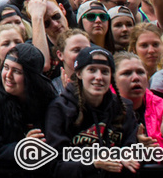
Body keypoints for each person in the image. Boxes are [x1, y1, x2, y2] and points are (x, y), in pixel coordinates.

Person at [45, 46, 139, 176]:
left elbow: (132, 154)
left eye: (105, 72)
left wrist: (130, 154)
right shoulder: (60, 109)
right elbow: (55, 166)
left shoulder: (123, 108)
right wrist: (92, 164)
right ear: (79, 73)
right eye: (92, 70)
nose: (99, 77)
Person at [0, 43, 57, 167]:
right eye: (6, 67)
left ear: (31, 77)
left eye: (17, 71)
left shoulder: (46, 98)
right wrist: (23, 148)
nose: (8, 75)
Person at [114, 52, 163, 152]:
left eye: (140, 72)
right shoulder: (103, 106)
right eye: (127, 73)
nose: (135, 78)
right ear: (113, 79)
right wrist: (135, 147)